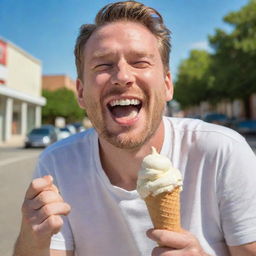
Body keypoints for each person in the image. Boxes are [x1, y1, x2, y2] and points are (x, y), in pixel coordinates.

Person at [13, 1, 256, 256]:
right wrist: (31, 242)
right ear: (82, 93)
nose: (122, 76)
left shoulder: (222, 152)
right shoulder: (57, 165)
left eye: (140, 62)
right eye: (103, 65)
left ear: (167, 85)